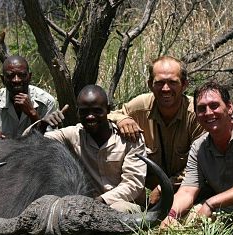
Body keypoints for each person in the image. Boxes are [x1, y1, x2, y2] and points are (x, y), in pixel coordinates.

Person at [29, 84, 147, 213]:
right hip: (85, 209)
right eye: (84, 112)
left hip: (125, 205)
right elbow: (31, 143)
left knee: (117, 209)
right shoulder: (73, 134)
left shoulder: (130, 137)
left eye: (97, 111)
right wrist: (42, 124)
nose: (90, 117)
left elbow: (133, 184)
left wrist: (100, 201)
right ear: (78, 112)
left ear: (108, 110)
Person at [108, 56, 205, 204]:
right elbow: (110, 115)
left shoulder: (197, 113)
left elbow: (199, 164)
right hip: (146, 191)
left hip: (188, 189)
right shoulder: (140, 105)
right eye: (159, 83)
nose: (166, 89)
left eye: (172, 82)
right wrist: (122, 119)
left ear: (184, 85)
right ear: (150, 85)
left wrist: (163, 188)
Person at [161, 81, 233, 229]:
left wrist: (211, 203)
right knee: (179, 222)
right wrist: (171, 215)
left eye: (214, 105)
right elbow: (187, 190)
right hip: (225, 210)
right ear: (197, 115)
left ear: (229, 107)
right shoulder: (199, 147)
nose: (209, 113)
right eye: (202, 109)